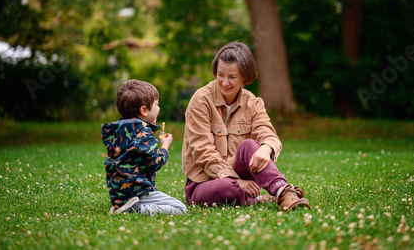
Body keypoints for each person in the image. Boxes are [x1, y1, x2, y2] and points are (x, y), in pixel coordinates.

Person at [182, 41, 311, 211]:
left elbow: (268, 134)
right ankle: (257, 199)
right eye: (220, 75)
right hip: (204, 182)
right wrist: (234, 181)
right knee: (227, 189)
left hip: (239, 175)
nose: (224, 82)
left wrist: (266, 148)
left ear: (245, 76)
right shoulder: (201, 100)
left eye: (232, 77)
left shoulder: (253, 102)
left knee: (251, 145)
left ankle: (284, 192)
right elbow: (202, 151)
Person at [102, 79, 187, 216]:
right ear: (144, 110)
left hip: (117, 193)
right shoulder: (145, 133)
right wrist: (164, 147)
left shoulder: (118, 132)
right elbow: (155, 164)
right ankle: (137, 209)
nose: (158, 108)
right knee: (180, 208)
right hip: (138, 192)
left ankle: (122, 205)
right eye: (156, 105)